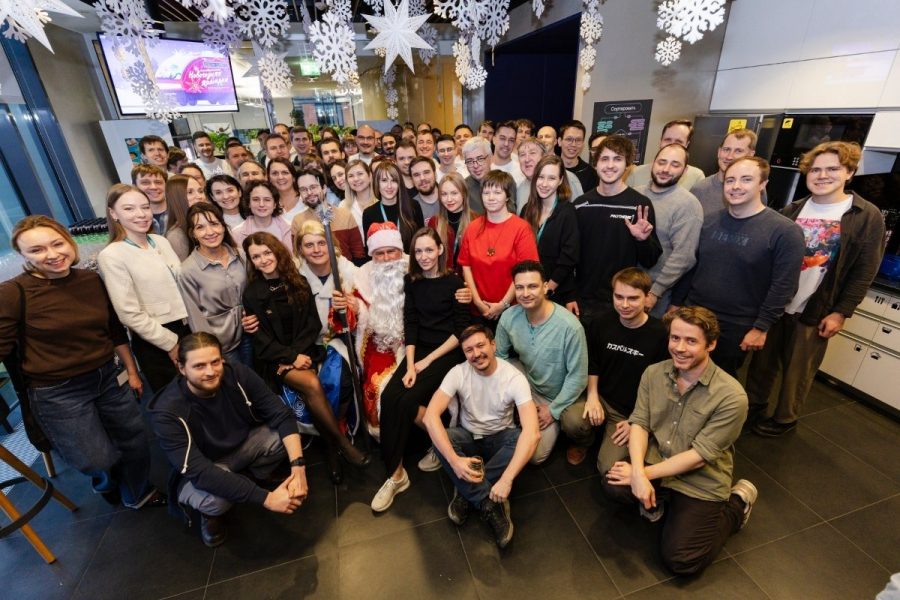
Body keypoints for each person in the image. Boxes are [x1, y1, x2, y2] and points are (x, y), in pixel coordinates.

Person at [1, 215, 164, 509]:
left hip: (107, 376)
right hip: (58, 392)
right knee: (96, 458)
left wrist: (131, 370)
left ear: (69, 241)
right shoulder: (13, 293)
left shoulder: (90, 279)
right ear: (23, 255)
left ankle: (137, 492)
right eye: (37, 250)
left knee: (135, 441)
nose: (52, 254)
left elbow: (113, 330)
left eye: (57, 244)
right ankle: (106, 480)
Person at [604, 306, 757, 576]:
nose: (680, 348)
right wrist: (638, 470)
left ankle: (736, 506)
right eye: (675, 338)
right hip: (658, 459)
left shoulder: (732, 397)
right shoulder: (653, 373)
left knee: (681, 559)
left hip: (700, 478)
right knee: (614, 483)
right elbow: (640, 423)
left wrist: (640, 475)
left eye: (691, 341)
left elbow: (698, 457)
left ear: (711, 344)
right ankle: (662, 499)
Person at [747, 142, 885, 436]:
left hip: (816, 308)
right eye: (816, 170)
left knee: (798, 370)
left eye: (832, 169)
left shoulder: (865, 216)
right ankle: (753, 406)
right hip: (777, 304)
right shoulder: (793, 209)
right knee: (762, 364)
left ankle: (785, 419)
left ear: (849, 173)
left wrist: (841, 312)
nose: (822, 176)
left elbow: (864, 271)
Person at [149, 332, 308, 547]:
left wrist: (298, 468)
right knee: (217, 499)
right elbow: (201, 473)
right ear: (181, 368)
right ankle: (210, 514)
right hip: (203, 467)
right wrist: (267, 499)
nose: (210, 372)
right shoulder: (167, 412)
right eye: (199, 366)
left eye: (215, 362)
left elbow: (281, 414)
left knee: (284, 436)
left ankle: (252, 476)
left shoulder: (237, 374)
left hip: (239, 447)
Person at [242, 232, 371, 479]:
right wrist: (291, 358)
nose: (263, 260)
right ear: (252, 262)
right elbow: (261, 340)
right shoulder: (252, 294)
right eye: (256, 257)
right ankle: (341, 445)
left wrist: (299, 355)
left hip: (306, 351)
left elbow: (312, 325)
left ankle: (332, 449)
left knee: (324, 387)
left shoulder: (299, 282)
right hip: (275, 360)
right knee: (311, 383)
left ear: (277, 252)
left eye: (267, 252)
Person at [671, 157, 804, 377]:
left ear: (762, 184)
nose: (736, 186)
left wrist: (761, 327)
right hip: (694, 315)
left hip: (737, 326)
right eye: (730, 180)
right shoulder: (709, 221)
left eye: (746, 179)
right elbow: (692, 266)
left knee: (717, 383)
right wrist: (676, 303)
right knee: (679, 374)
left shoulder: (784, 232)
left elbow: (784, 286)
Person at [371, 227, 470, 512]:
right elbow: (411, 324)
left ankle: (439, 443)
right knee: (390, 396)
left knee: (407, 400)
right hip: (419, 350)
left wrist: (426, 362)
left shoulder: (454, 283)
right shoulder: (411, 281)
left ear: (440, 250)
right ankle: (396, 475)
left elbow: (460, 331)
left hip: (447, 351)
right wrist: (411, 363)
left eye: (429, 249)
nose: (424, 256)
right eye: (418, 251)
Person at [423, 324, 540, 549]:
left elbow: (533, 432)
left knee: (521, 438)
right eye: (469, 350)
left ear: (493, 345)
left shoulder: (514, 378)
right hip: (469, 437)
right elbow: (430, 417)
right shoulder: (458, 372)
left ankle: (465, 490)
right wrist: (455, 462)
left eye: (480, 345)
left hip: (500, 438)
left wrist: (507, 479)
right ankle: (489, 503)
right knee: (441, 437)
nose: (476, 354)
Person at [566, 268, 668, 469]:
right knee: (571, 420)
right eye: (619, 297)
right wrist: (592, 396)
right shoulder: (600, 323)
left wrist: (638, 422)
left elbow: (661, 386)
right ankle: (586, 440)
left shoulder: (660, 334)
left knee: (609, 470)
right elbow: (593, 362)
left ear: (647, 297)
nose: (624, 304)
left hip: (630, 411)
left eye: (633, 298)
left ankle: (618, 437)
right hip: (601, 397)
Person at [98, 184, 190, 393]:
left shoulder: (160, 241)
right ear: (113, 213)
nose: (141, 214)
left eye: (145, 207)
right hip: (156, 339)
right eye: (129, 209)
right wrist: (170, 343)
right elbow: (128, 313)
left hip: (186, 327)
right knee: (177, 399)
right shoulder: (112, 255)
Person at [494, 261, 587, 465]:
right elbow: (499, 357)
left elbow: (578, 377)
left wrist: (552, 410)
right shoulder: (509, 317)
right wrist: (514, 394)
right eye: (520, 287)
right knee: (498, 366)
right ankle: (524, 413)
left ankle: (578, 438)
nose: (525, 293)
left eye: (532, 286)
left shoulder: (570, 327)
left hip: (560, 394)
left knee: (535, 456)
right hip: (530, 384)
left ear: (545, 287)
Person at [569, 135, 661, 325]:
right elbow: (570, 254)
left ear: (628, 165)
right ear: (595, 163)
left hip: (621, 302)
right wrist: (570, 293)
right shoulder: (581, 204)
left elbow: (650, 260)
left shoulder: (639, 205)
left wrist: (642, 240)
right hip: (583, 301)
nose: (610, 165)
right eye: (604, 159)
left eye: (617, 159)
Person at [332, 222, 408, 436]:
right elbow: (344, 321)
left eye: (391, 251)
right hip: (378, 346)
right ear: (372, 255)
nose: (386, 258)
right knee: (379, 387)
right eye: (379, 253)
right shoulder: (361, 278)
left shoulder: (414, 269)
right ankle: (390, 436)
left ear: (400, 251)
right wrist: (354, 308)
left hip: (414, 344)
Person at [458, 170, 539, 328]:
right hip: (478, 311)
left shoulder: (521, 228)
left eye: (497, 192)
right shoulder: (472, 228)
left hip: (514, 311)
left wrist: (503, 304)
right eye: (486, 192)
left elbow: (525, 272)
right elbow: (466, 266)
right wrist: (477, 302)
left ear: (507, 196)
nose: (491, 197)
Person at [633, 144, 703, 317]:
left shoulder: (688, 205)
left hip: (656, 295)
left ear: (684, 171)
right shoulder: (634, 194)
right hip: (625, 287)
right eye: (662, 162)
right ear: (653, 163)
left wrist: (655, 292)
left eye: (675, 165)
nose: (665, 169)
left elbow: (683, 256)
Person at [179, 202, 251, 367]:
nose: (210, 232)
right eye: (200, 227)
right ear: (193, 233)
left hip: (250, 334)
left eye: (214, 224)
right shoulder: (188, 270)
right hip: (220, 345)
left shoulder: (240, 255)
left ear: (223, 226)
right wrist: (211, 351)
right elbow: (195, 318)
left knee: (255, 378)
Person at [520, 155, 580, 304]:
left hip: (555, 292)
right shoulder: (527, 210)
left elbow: (569, 257)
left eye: (551, 178)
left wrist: (548, 289)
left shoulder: (567, 212)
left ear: (560, 181)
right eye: (541, 177)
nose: (544, 184)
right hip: (528, 290)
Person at [292, 167, 367, 265]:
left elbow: (358, 253)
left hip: (346, 271)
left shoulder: (345, 215)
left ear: (324, 188)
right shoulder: (298, 221)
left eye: (313, 187)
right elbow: (299, 257)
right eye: (303, 189)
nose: (309, 193)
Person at [690, 128, 758, 216]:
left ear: (751, 155)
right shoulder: (699, 190)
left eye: (738, 151)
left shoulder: (756, 190)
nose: (729, 157)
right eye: (726, 149)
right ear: (719, 152)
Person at [362, 160, 424, 253]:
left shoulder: (413, 206)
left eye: (394, 181)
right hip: (383, 262)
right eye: (384, 180)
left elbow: (421, 242)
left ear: (399, 183)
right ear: (377, 183)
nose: (389, 186)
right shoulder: (369, 214)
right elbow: (369, 251)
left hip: (410, 261)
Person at [627, 119, 705, 190]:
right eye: (668, 140)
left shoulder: (697, 176)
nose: (671, 145)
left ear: (687, 144)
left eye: (678, 142)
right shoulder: (636, 173)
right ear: (660, 141)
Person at [515, 137, 583, 212]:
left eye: (532, 153)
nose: (527, 159)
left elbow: (580, 212)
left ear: (544, 156)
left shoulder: (569, 179)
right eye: (522, 155)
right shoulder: (520, 188)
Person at [427, 172, 475, 271]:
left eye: (454, 193)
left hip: (468, 278)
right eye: (444, 194)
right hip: (442, 277)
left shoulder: (476, 220)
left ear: (464, 193)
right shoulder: (434, 222)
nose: (449, 199)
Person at [231, 180, 293, 253]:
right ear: (249, 203)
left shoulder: (289, 228)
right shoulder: (237, 233)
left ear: (275, 204)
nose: (261, 204)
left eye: (267, 200)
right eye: (256, 199)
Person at [164, 174, 206, 261]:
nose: (199, 196)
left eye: (200, 191)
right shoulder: (176, 236)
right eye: (190, 192)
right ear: (176, 198)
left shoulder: (204, 222)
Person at [340, 159, 376, 242]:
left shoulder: (381, 201)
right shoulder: (343, 206)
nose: (356, 179)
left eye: (360, 174)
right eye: (351, 176)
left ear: (370, 176)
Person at [558, 120, 598, 192]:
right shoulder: (549, 168)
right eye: (569, 139)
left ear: (583, 143)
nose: (573, 144)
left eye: (578, 140)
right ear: (560, 141)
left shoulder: (590, 174)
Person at [263, 157, 302, 225]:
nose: (280, 177)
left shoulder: (305, 199)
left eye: (285, 173)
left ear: (293, 177)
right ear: (269, 179)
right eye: (275, 173)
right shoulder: (266, 204)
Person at [132, 164, 168, 234]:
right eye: (145, 183)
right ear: (135, 186)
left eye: (158, 182)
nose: (153, 187)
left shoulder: (180, 213)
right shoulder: (131, 220)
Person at [462, 136, 494, 213]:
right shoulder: (462, 188)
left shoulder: (505, 181)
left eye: (480, 159)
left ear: (490, 158)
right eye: (469, 161)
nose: (475, 166)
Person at [409, 156, 440, 221]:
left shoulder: (450, 198)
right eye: (416, 175)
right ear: (412, 180)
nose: (422, 178)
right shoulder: (410, 208)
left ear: (435, 174)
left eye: (426, 172)